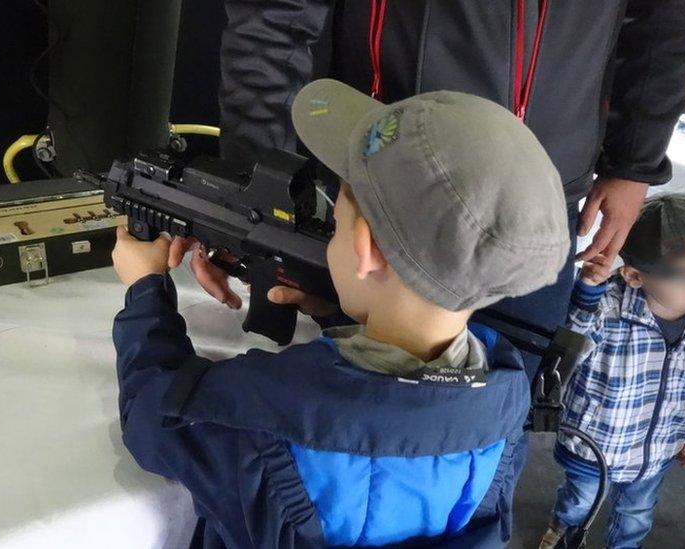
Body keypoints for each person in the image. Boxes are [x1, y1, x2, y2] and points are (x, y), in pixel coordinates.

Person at [111, 79, 569, 547]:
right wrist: (340, 320)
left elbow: (150, 416)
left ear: (364, 245)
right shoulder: (507, 402)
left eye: (335, 218)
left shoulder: (258, 410)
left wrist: (146, 289)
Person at [181, 0, 685, 380]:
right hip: (379, 180)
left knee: (497, 411)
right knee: (323, 393)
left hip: (541, 195)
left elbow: (667, 16)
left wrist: (635, 161)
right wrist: (251, 194)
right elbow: (274, 17)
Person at [539, 194, 685, 549]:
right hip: (596, 444)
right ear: (633, 276)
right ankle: (562, 530)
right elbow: (567, 350)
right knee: (579, 501)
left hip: (658, 448)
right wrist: (586, 296)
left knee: (637, 514)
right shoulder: (606, 309)